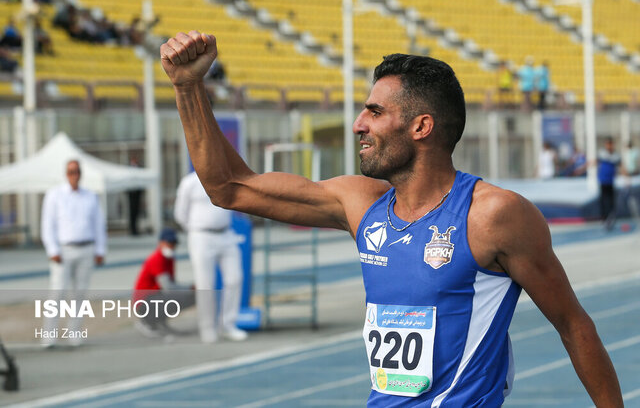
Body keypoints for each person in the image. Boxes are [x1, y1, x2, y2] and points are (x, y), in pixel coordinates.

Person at [160, 31, 622, 406]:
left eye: (375, 112)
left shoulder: (493, 215)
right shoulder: (360, 204)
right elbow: (229, 188)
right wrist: (187, 86)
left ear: (421, 127)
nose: (358, 123)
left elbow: (573, 324)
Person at [174, 171, 248, 343]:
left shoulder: (225, 178)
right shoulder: (189, 182)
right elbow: (180, 214)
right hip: (201, 235)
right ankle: (207, 328)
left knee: (234, 278)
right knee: (205, 283)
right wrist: (196, 229)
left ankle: (228, 324)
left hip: (226, 233)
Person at [40, 159, 106, 348]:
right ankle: (49, 336)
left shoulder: (90, 196)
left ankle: (74, 333)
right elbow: (48, 225)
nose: (74, 175)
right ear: (66, 174)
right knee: (57, 293)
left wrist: (100, 250)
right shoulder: (55, 195)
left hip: (86, 248)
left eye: (76, 171)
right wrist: (52, 249)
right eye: (70, 172)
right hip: (64, 250)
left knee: (79, 294)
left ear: (81, 173)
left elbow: (98, 225)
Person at [133, 228, 195, 338]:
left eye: (174, 243)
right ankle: (147, 321)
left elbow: (172, 283)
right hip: (145, 301)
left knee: (189, 296)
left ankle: (160, 320)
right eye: (169, 243)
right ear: (161, 243)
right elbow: (168, 287)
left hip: (155, 296)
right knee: (186, 295)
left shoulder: (169, 259)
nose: (172, 246)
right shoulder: (157, 259)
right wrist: (189, 287)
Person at [597, 137, 621, 229]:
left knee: (611, 201)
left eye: (611, 144)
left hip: (610, 182)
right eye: (608, 144)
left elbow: (621, 166)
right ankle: (604, 218)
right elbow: (594, 162)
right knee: (603, 201)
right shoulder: (602, 154)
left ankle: (611, 218)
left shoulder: (616, 156)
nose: (609, 146)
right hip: (603, 181)